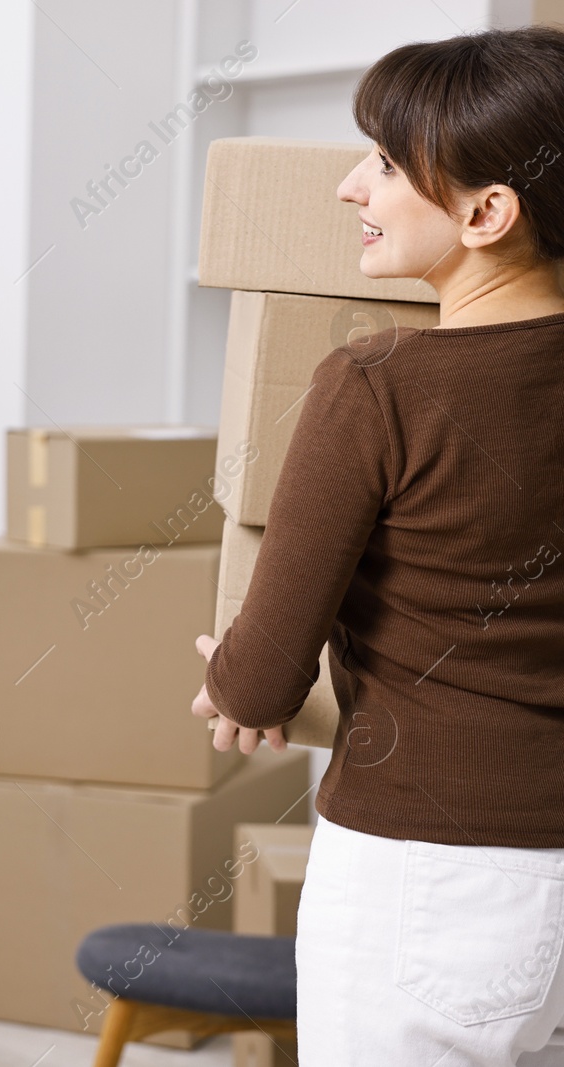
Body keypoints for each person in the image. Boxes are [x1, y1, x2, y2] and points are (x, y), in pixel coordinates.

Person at [189, 26, 564, 1066]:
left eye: (389, 164)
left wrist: (229, 684)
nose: (351, 186)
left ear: (488, 213)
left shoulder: (381, 385)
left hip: (430, 878)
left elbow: (262, 679)